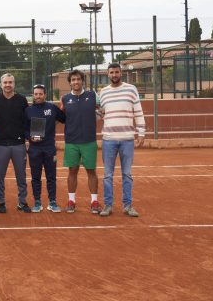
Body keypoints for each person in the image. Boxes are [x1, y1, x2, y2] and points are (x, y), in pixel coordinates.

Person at [99, 63, 146, 218]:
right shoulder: (103, 92)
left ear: (121, 73)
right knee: (107, 175)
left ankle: (128, 206)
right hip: (108, 140)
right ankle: (108, 205)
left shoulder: (131, 89)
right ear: (108, 74)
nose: (114, 75)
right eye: (111, 72)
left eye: (116, 72)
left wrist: (141, 133)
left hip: (127, 139)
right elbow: (100, 113)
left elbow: (138, 112)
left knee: (127, 174)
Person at [60, 70, 102, 214]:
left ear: (82, 81)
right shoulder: (65, 99)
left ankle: (94, 202)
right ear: (70, 82)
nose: (76, 82)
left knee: (91, 171)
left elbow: (101, 111)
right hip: (71, 141)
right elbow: (63, 116)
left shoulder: (92, 95)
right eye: (73, 80)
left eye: (78, 79)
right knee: (72, 171)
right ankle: (71, 201)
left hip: (89, 140)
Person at [0, 73, 31, 214]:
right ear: (1, 84)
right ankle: (1, 203)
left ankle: (22, 202)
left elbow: (27, 121)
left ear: (14, 84)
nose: (8, 85)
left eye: (10, 82)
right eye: (5, 82)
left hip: (18, 144)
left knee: (21, 176)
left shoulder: (22, 100)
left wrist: (27, 139)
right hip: (0, 145)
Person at [25, 84, 65, 213]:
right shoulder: (28, 110)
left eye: (40, 94)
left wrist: (64, 109)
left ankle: (52, 201)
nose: (38, 96)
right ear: (33, 96)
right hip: (34, 149)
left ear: (45, 95)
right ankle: (37, 201)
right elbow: (24, 129)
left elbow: (63, 119)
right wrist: (30, 138)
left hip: (49, 148)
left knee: (51, 176)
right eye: (35, 94)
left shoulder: (52, 107)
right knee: (35, 177)